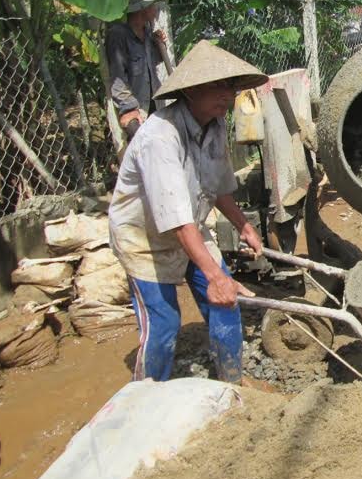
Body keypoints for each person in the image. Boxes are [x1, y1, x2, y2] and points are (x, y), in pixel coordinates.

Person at [109, 40, 268, 383]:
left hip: (190, 225)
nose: (227, 95)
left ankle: (232, 384)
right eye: (218, 86)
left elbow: (217, 184)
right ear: (192, 91)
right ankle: (150, 395)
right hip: (146, 237)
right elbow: (174, 218)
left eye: (231, 86)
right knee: (164, 324)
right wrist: (214, 275)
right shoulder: (160, 138)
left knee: (227, 305)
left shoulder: (215, 125)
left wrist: (243, 225)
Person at [106, 0, 169, 140]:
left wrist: (160, 44)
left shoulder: (148, 34)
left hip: (155, 106)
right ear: (143, 9)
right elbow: (118, 77)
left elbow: (153, 63)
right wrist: (129, 109)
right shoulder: (118, 35)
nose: (155, 9)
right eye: (152, 5)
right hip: (138, 110)